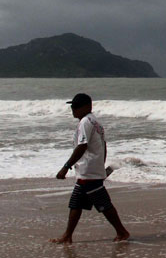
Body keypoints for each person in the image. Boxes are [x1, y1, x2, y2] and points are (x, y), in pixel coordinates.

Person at [50, 93, 129, 243]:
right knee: (76, 203)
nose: (73, 110)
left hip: (89, 172)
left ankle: (122, 232)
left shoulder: (86, 122)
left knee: (103, 204)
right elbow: (104, 146)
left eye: (75, 107)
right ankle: (67, 236)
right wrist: (101, 165)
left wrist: (66, 167)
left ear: (87, 107)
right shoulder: (96, 123)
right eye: (72, 107)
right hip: (90, 171)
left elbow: (82, 146)